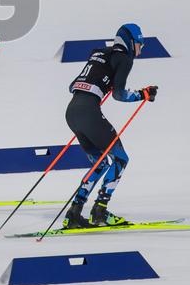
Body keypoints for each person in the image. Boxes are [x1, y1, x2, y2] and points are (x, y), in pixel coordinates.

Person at [63, 24, 157, 229]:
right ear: (131, 42)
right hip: (90, 113)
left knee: (100, 163)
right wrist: (143, 94)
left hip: (72, 112)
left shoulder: (99, 53)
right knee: (121, 159)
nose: (140, 50)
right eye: (140, 44)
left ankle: (74, 213)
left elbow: (73, 86)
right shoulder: (125, 58)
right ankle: (100, 211)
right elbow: (119, 95)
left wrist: (99, 84)